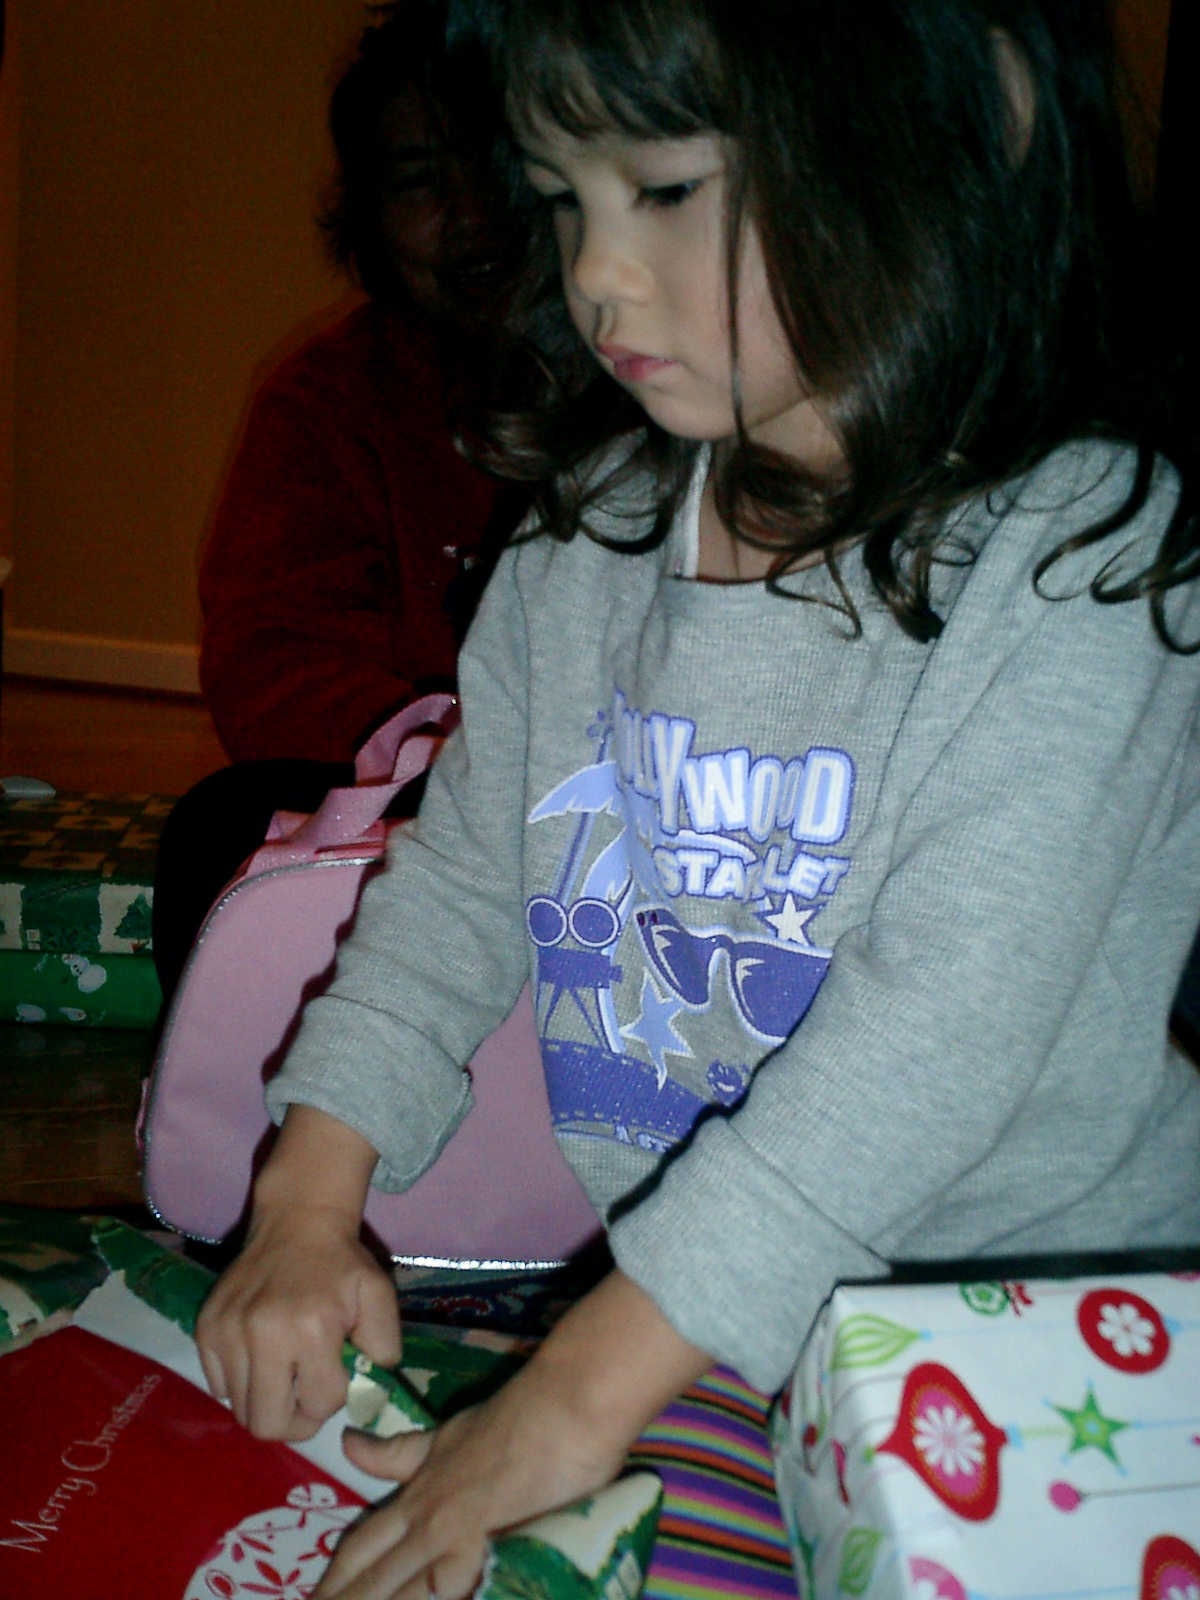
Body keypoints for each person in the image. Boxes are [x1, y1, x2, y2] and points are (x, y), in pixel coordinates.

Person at [196, 1, 1200, 1596]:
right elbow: (461, 885)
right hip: (709, 1321)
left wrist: (579, 1393)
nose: (598, 271)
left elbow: (930, 1053)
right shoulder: (588, 534)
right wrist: (308, 1192)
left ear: (963, 125)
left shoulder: (1088, 555)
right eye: (563, 195)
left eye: (665, 189)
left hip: (1031, 1336)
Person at [153, 0, 522, 998]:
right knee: (219, 832)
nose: (471, 211)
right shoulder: (324, 404)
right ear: (367, 217)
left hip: (620, 797)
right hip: (408, 789)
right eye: (420, 181)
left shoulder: (652, 385)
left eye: (497, 162)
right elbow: (270, 655)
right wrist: (433, 751)